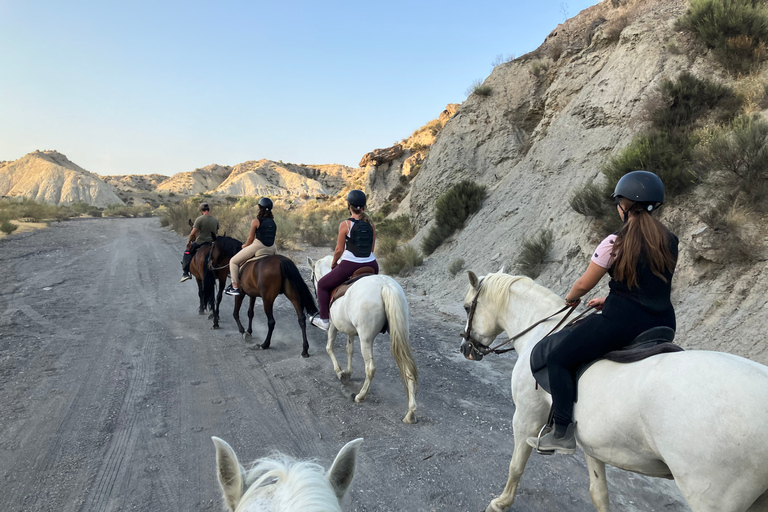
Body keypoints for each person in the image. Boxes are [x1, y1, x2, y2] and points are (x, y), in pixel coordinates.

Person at [527, 170, 678, 454]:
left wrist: (571, 298)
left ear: (625, 205)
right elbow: (648, 286)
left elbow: (584, 283)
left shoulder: (614, 242)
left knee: (558, 358)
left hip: (622, 323)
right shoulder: (670, 240)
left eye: (619, 201)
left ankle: (561, 433)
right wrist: (609, 300)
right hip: (663, 321)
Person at [311, 190, 378, 330]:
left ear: (349, 206)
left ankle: (324, 320)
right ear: (363, 207)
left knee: (322, 285)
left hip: (350, 265)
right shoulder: (371, 224)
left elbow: (339, 250)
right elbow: (371, 249)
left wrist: (335, 263)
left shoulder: (346, 224)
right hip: (372, 265)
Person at [224, 197, 277, 296]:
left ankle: (234, 286)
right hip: (272, 247)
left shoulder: (256, 221)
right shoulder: (273, 222)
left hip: (259, 245)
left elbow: (250, 239)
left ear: (260, 208)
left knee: (233, 261)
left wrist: (245, 246)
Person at [181, 202, 219, 282]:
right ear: (209, 209)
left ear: (201, 210)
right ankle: (228, 271)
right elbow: (216, 232)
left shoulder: (199, 219)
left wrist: (189, 242)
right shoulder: (215, 220)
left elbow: (193, 233)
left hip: (200, 242)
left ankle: (185, 273)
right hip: (212, 242)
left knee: (187, 253)